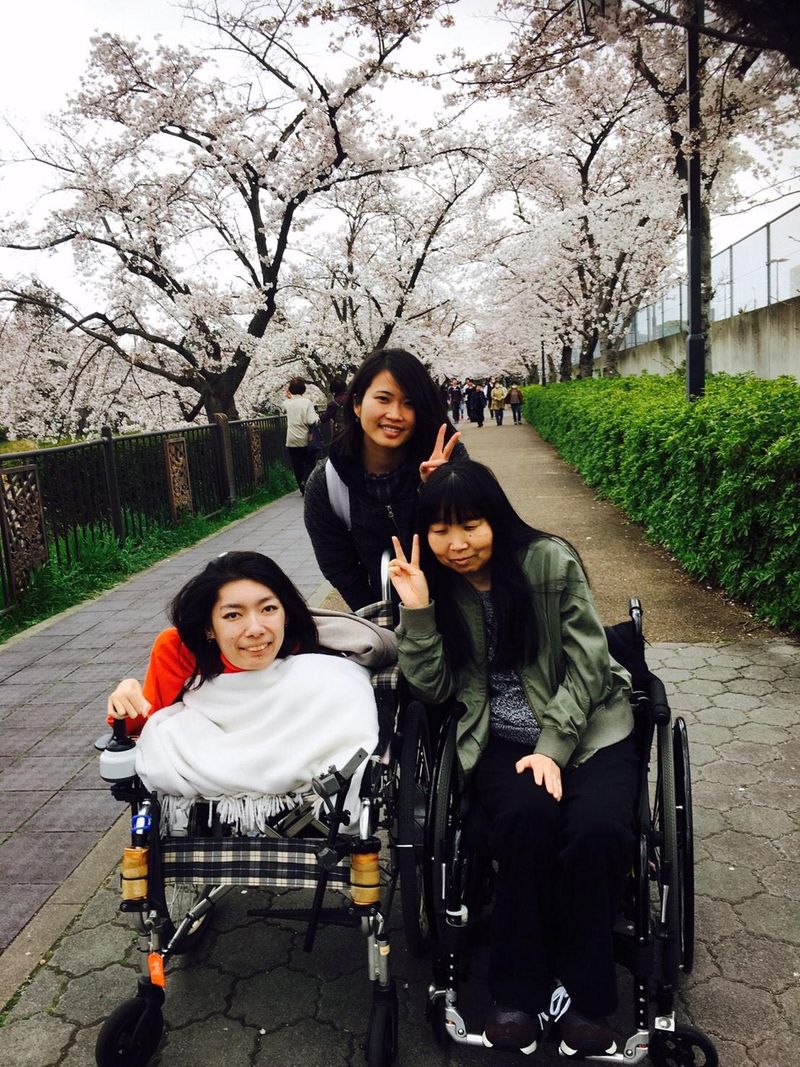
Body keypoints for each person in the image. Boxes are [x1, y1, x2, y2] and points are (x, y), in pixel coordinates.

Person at [388, 461, 637, 1058]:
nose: (457, 544)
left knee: (598, 830)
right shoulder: (434, 585)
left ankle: (584, 998)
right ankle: (518, 994)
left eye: (470, 525)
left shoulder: (549, 561)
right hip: (497, 735)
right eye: (441, 531)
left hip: (591, 726)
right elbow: (433, 690)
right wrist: (417, 611)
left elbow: (589, 665)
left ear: (495, 519)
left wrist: (552, 748)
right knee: (525, 822)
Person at [107, 552, 379, 832]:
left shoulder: (308, 648)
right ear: (209, 628)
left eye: (268, 609)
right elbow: (144, 724)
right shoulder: (178, 650)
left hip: (304, 805)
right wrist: (126, 699)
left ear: (285, 614)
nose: (256, 629)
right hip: (211, 789)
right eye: (233, 615)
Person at [303, 347, 466, 612]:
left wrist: (441, 487)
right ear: (356, 404)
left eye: (409, 403)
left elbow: (475, 535)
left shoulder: (447, 458)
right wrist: (379, 617)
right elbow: (338, 565)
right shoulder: (327, 483)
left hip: (459, 609)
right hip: (385, 617)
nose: (395, 414)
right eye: (383, 399)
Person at [283, 377, 319, 495]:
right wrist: (317, 417)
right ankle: (307, 482)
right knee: (309, 462)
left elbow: (284, 403)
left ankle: (302, 488)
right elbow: (311, 420)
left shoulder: (287, 403)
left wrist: (287, 395)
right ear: (303, 389)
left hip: (291, 439)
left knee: (297, 464)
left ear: (290, 390)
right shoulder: (307, 402)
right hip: (305, 438)